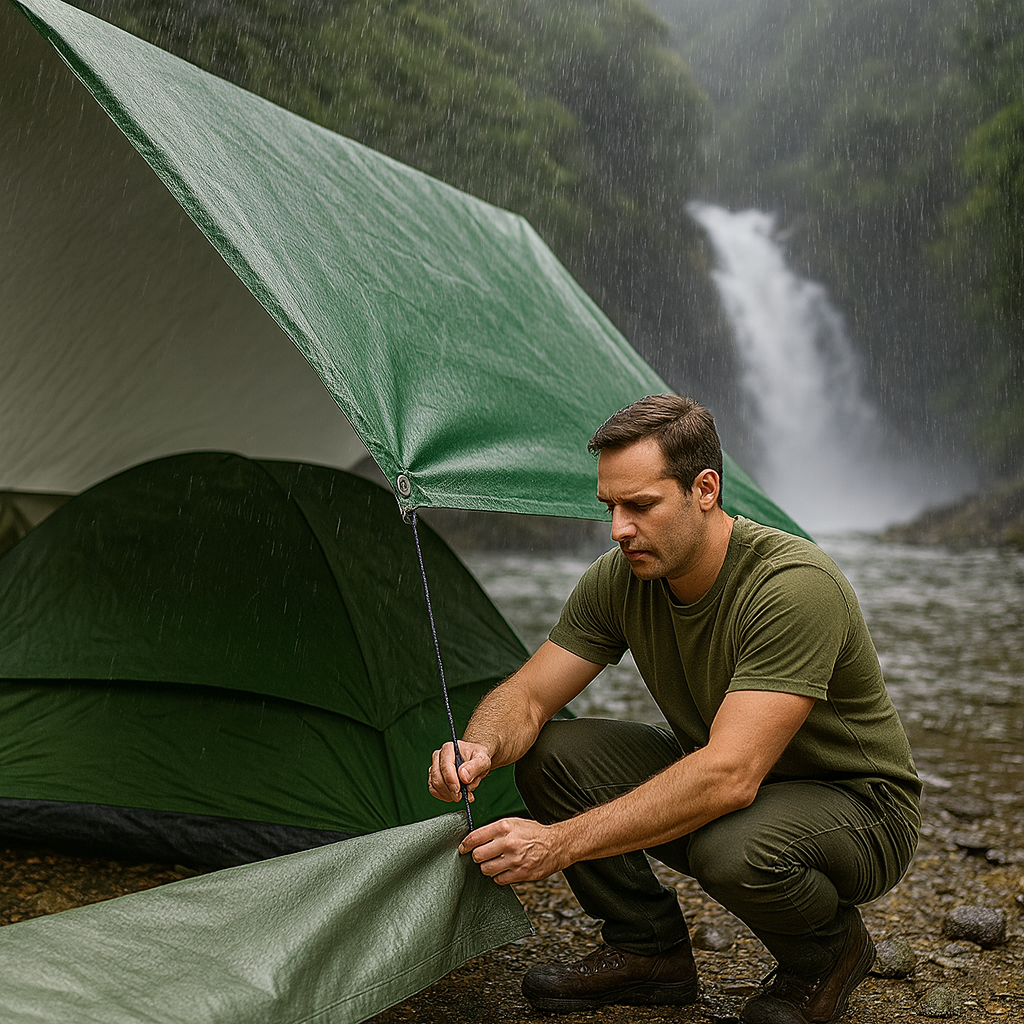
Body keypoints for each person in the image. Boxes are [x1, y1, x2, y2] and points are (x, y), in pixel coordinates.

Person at [428, 394, 920, 1024]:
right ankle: (648, 952)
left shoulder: (793, 585)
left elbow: (730, 774)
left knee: (732, 847)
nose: (618, 528)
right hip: (732, 776)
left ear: (705, 489)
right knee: (551, 755)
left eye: (641, 506)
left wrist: (558, 844)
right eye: (609, 507)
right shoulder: (622, 577)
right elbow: (526, 696)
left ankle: (827, 956)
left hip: (859, 807)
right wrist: (481, 747)